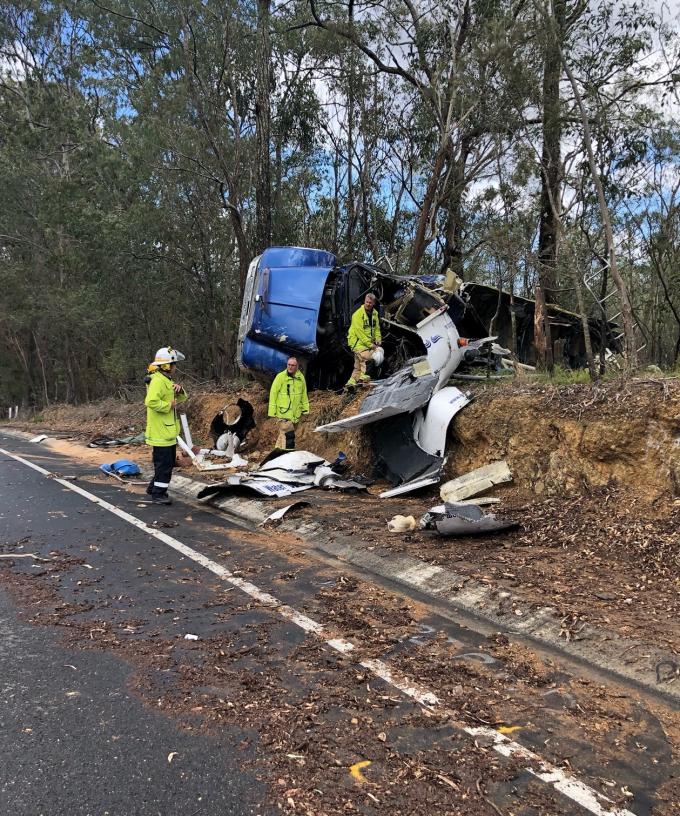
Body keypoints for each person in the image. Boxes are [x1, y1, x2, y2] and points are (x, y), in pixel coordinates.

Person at [144, 346, 188, 504]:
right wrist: (168, 405)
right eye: (174, 364)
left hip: (167, 432)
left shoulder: (166, 380)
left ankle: (153, 488)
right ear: (166, 366)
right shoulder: (158, 381)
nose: (175, 367)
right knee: (164, 466)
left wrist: (180, 390)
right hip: (161, 433)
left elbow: (179, 398)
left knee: (165, 464)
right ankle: (158, 494)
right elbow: (150, 402)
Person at [268, 357, 309, 449]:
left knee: (283, 435)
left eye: (293, 365)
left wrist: (305, 409)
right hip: (284, 414)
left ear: (297, 366)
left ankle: (276, 453)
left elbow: (303, 394)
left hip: (296, 414)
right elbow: (273, 393)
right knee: (288, 437)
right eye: (289, 365)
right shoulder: (280, 377)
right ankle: (286, 454)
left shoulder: (300, 377)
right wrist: (272, 411)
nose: (290, 367)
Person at [346, 292, 383, 389]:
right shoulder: (357, 315)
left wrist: (378, 339)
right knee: (368, 360)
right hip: (357, 342)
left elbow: (377, 329)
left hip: (365, 343)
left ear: (374, 303)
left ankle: (350, 385)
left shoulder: (375, 314)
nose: (368, 304)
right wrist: (371, 345)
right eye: (367, 302)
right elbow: (360, 334)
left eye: (370, 302)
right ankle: (364, 384)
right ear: (364, 301)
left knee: (357, 368)